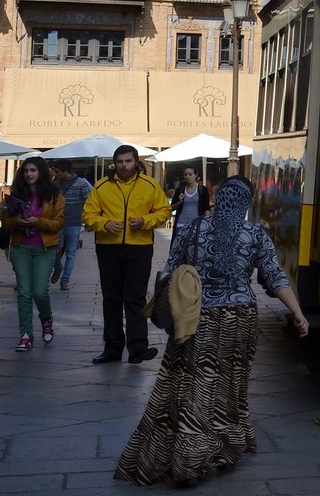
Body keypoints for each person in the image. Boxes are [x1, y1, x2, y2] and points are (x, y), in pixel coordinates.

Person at [114, 175, 309, 487]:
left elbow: (170, 267)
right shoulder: (254, 234)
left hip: (197, 318)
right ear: (246, 202)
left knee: (193, 384)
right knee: (230, 382)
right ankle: (220, 446)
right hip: (240, 319)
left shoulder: (193, 228)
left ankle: (187, 454)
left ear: (219, 198)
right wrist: (297, 312)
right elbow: (274, 275)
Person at [84, 145, 172, 364]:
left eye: (128, 161)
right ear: (115, 163)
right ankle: (112, 348)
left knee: (135, 297)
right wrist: (105, 224)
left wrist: (145, 221)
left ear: (135, 162)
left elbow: (164, 211)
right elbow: (87, 215)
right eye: (120, 161)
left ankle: (138, 348)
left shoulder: (150, 185)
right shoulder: (101, 186)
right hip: (108, 248)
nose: (124, 165)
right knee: (111, 299)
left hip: (139, 247)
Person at [2, 157, 65, 351]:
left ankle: (46, 319)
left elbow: (58, 224)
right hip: (21, 247)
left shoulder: (54, 195)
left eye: (33, 170)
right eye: (26, 170)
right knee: (24, 292)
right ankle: (26, 334)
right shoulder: (16, 194)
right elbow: (5, 223)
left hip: (44, 248)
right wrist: (17, 222)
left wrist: (37, 221)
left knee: (39, 291)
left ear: (41, 173)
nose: (29, 174)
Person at [49, 161, 91, 291]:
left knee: (71, 253)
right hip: (58, 223)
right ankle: (58, 267)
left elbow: (90, 201)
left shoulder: (81, 183)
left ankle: (65, 280)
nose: (55, 174)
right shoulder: (55, 184)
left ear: (65, 171)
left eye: (57, 171)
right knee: (53, 251)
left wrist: (87, 218)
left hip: (74, 223)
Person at [169, 166, 212, 234]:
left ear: (196, 175)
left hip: (197, 225)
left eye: (190, 174)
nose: (188, 176)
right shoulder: (180, 190)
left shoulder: (202, 190)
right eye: (185, 174)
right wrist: (179, 202)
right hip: (181, 224)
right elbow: (171, 208)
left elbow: (206, 208)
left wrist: (208, 224)